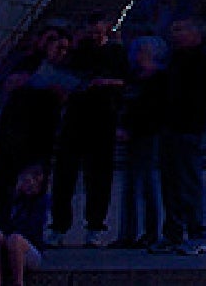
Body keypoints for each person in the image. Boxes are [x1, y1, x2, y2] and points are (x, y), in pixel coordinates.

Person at [0, 29, 74, 236]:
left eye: (63, 47)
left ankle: (30, 230)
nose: (58, 50)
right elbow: (8, 84)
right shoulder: (26, 61)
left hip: (43, 131)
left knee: (36, 181)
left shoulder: (65, 68)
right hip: (15, 128)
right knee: (5, 182)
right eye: (53, 42)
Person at [49, 17, 127, 247]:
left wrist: (105, 83)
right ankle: (59, 225)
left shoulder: (116, 52)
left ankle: (95, 225)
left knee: (99, 176)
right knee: (65, 175)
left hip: (103, 118)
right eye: (90, 32)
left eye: (97, 32)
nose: (93, 36)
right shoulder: (77, 52)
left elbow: (126, 81)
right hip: (75, 118)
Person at [154, 17, 206, 256]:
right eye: (174, 29)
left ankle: (197, 234)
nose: (175, 34)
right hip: (170, 127)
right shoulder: (174, 59)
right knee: (170, 184)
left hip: (188, 129)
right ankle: (173, 232)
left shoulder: (200, 60)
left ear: (195, 34)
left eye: (180, 30)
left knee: (188, 182)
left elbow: (199, 97)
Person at [114, 36, 166, 249]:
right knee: (130, 186)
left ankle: (150, 232)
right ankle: (128, 232)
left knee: (147, 184)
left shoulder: (159, 79)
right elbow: (127, 105)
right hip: (132, 135)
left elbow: (155, 110)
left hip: (148, 135)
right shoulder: (134, 77)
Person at [0, 164, 48, 286]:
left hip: (28, 249)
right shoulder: (11, 200)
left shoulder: (41, 202)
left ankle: (18, 282)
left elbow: (31, 229)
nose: (26, 185)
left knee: (15, 239)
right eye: (23, 181)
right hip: (6, 244)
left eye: (29, 181)